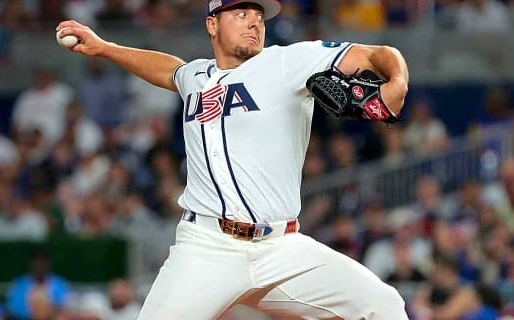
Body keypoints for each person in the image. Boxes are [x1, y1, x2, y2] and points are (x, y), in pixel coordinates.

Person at [57, 0, 409, 318]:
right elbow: (168, 71)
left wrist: (398, 83)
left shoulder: (288, 61)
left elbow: (377, 53)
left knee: (384, 305)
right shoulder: (195, 77)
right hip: (206, 247)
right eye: (241, 14)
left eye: (259, 16)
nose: (254, 23)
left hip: (281, 249)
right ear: (212, 25)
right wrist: (105, 48)